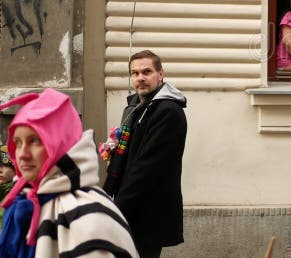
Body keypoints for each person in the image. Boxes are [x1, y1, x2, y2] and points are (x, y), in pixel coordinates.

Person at [0, 89, 137, 257]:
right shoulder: (20, 200)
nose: (22, 154)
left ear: (60, 143)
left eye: (35, 141)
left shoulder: (92, 217)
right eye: (18, 143)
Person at [103, 50, 188, 258]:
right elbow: (126, 155)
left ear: (161, 74)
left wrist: (117, 210)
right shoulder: (136, 107)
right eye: (135, 73)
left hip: (148, 212)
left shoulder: (168, 111)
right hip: (131, 205)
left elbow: (147, 168)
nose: (140, 78)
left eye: (147, 71)